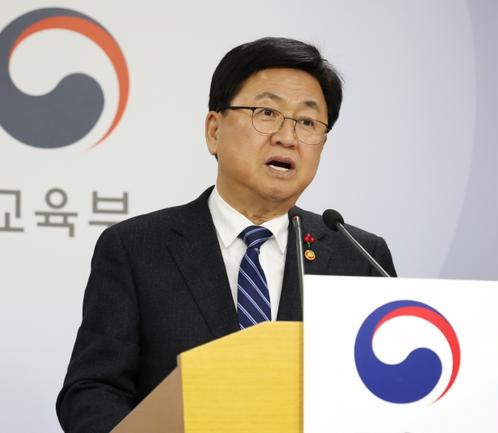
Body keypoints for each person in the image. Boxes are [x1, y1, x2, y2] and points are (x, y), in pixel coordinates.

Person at [56, 36, 396, 433]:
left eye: (307, 122)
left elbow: (388, 394)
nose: (287, 137)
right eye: (267, 113)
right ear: (214, 130)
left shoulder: (360, 257)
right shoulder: (137, 248)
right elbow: (91, 391)